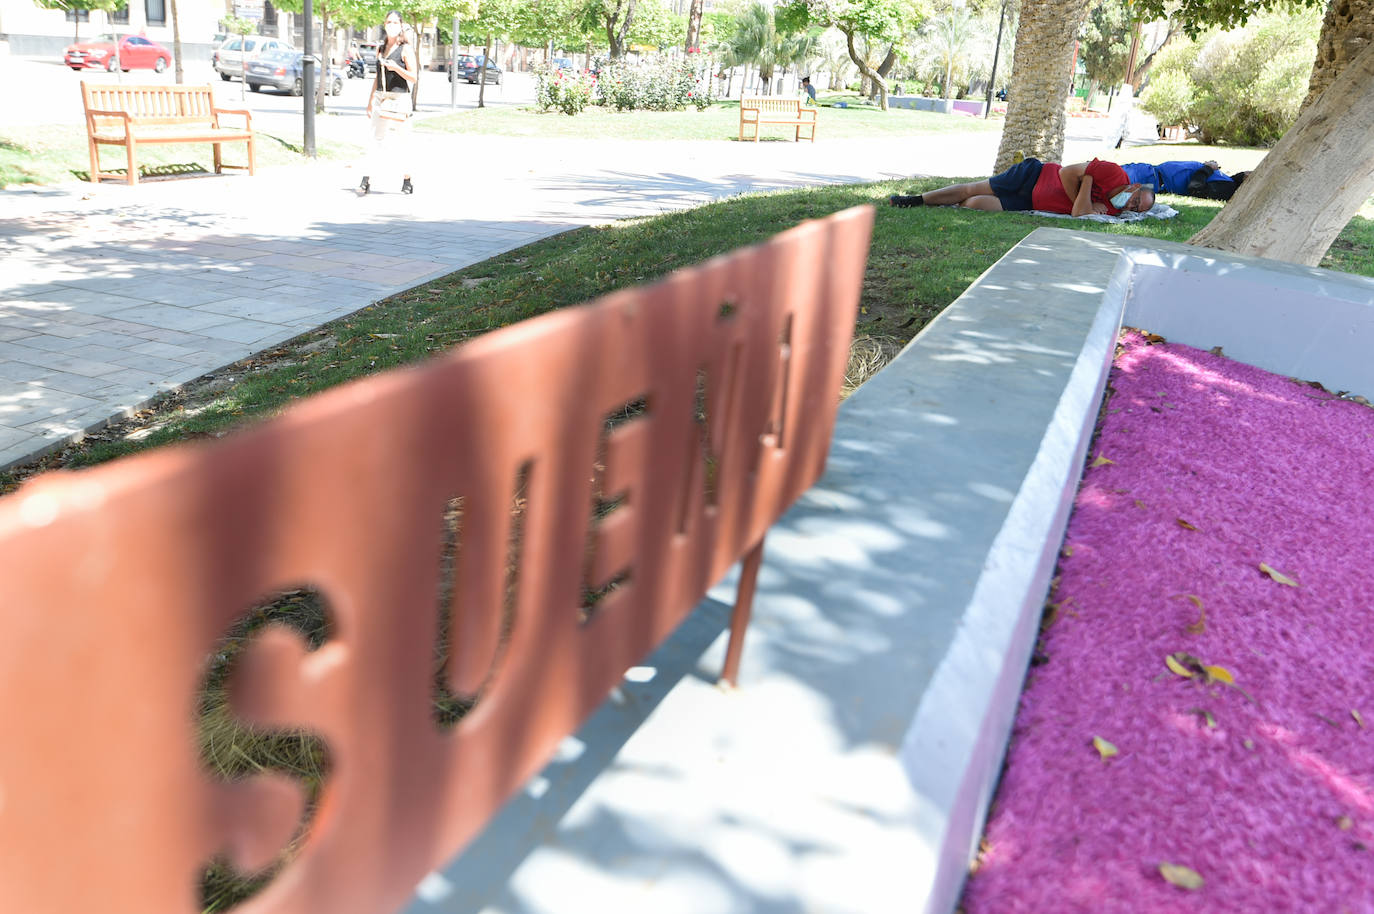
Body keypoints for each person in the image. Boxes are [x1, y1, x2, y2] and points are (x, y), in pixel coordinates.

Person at [890, 157, 1155, 216]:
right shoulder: (1114, 173)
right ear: (1135, 186)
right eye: (1136, 200)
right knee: (972, 189)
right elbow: (1065, 172)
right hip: (1034, 175)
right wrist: (1084, 188)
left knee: (974, 204)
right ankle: (915, 200)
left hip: (1032, 202)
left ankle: (945, 201)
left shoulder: (1114, 210)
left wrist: (1087, 180)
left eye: (1136, 209)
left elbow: (1078, 213)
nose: (1131, 206)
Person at [359, 11, 418, 197]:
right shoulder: (381, 48)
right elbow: (378, 76)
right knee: (375, 139)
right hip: (381, 97)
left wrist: (396, 68)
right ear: (384, 25)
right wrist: (371, 100)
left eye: (395, 22)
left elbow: (414, 77)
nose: (391, 25)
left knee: (403, 141)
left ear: (401, 25)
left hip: (399, 99)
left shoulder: (406, 49)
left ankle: (407, 180)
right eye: (388, 22)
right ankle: (366, 179)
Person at [1121, 160, 1250, 201]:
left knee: (1115, 178)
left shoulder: (1228, 188)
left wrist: (1208, 168)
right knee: (1113, 172)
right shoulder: (1229, 181)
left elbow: (1196, 188)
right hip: (1150, 172)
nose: (1250, 172)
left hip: (1152, 179)